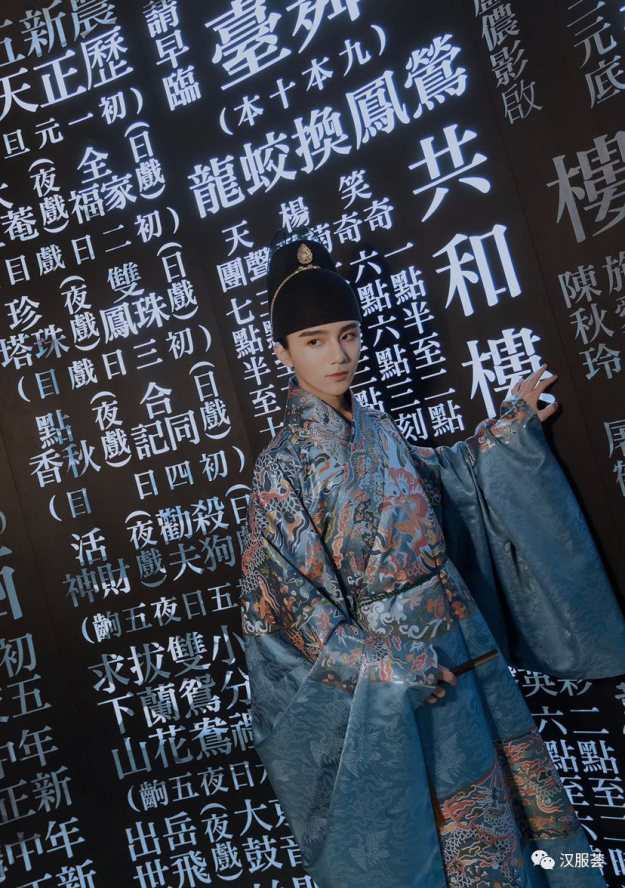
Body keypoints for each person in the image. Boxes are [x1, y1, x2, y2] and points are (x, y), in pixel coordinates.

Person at [239, 229, 625, 888]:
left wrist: (508, 432)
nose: (338, 354)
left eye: (348, 335)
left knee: (525, 806)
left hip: (466, 649)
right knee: (459, 843)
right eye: (314, 341)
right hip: (409, 686)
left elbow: (445, 481)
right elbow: (292, 615)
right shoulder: (279, 472)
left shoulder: (380, 430)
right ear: (282, 353)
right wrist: (392, 665)